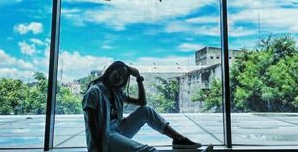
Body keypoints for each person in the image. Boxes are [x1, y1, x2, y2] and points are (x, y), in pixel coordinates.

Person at [82, 61, 213, 152]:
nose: (120, 77)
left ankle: (179, 139)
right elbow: (91, 123)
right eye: (118, 72)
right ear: (110, 70)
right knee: (148, 151)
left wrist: (138, 77)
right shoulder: (95, 91)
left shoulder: (117, 93)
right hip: (105, 137)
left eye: (123, 77)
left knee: (146, 111)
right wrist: (96, 149)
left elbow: (142, 102)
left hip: (119, 130)